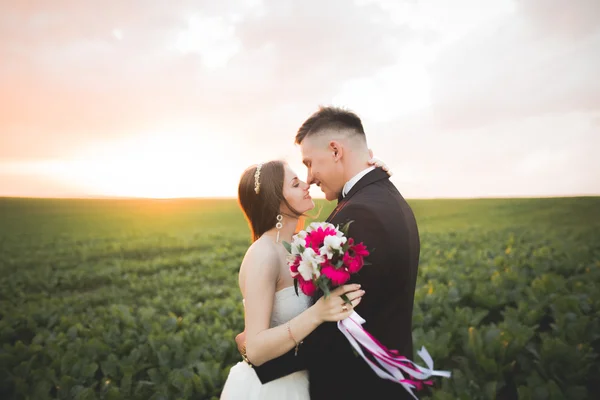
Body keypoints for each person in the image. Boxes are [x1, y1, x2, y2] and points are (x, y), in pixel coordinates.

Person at [235, 106, 421, 400]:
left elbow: (338, 327)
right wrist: (258, 350)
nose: (309, 179)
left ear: (335, 150)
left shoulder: (362, 212)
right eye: (297, 180)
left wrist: (254, 352)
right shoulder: (379, 196)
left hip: (358, 386)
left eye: (309, 163)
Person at [220, 160, 365, 400]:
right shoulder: (263, 253)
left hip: (306, 380)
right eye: (296, 184)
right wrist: (318, 313)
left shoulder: (300, 245)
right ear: (275, 201)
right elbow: (254, 349)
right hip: (273, 388)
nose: (307, 185)